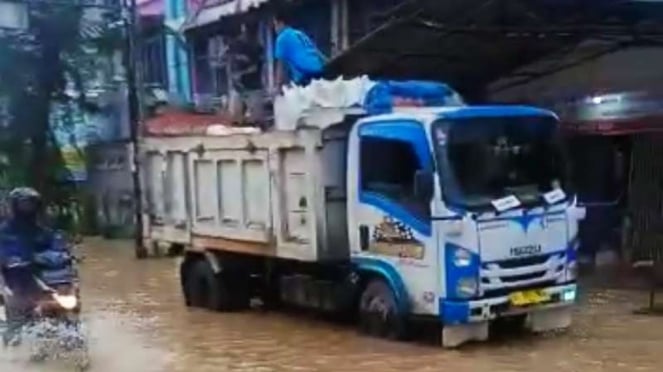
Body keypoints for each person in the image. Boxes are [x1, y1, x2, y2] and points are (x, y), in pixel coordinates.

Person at [0, 187, 72, 346]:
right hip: (15, 281)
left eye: (31, 204)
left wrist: (64, 255)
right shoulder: (5, 231)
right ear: (15, 206)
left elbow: (57, 248)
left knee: (69, 305)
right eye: (24, 204)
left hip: (43, 279)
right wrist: (10, 259)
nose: (28, 208)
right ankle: (13, 343)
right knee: (16, 314)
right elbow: (4, 252)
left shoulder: (43, 231)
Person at [272, 8, 326, 89]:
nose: (275, 29)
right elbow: (316, 52)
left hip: (305, 77)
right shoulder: (299, 33)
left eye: (275, 25)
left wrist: (277, 87)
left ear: (281, 23)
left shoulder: (282, 38)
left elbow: (280, 67)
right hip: (320, 71)